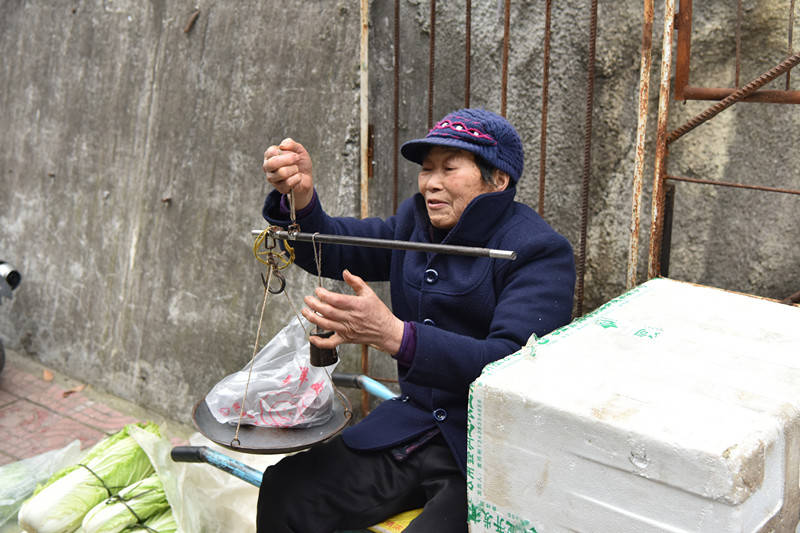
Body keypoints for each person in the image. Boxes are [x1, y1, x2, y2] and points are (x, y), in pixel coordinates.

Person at [257, 108, 575, 532]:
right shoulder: (415, 224)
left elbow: (509, 364)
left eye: (449, 168)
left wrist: (396, 336)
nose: (431, 183)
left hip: (482, 450)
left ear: (497, 179)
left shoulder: (538, 251)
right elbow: (335, 247)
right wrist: (299, 199)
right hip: (414, 428)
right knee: (289, 488)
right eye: (427, 169)